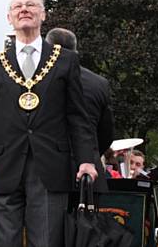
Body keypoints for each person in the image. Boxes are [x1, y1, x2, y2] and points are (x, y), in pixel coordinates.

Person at [0, 0, 97, 247]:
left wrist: (86, 159)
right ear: (9, 18)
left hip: (50, 167)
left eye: (31, 5)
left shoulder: (66, 60)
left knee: (47, 242)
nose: (24, 9)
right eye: (17, 6)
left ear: (43, 15)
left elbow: (78, 117)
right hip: (2, 168)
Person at [45, 27, 113, 192]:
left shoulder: (37, 80)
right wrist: (90, 151)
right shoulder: (99, 83)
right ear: (75, 50)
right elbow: (107, 132)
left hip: (47, 169)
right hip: (89, 171)